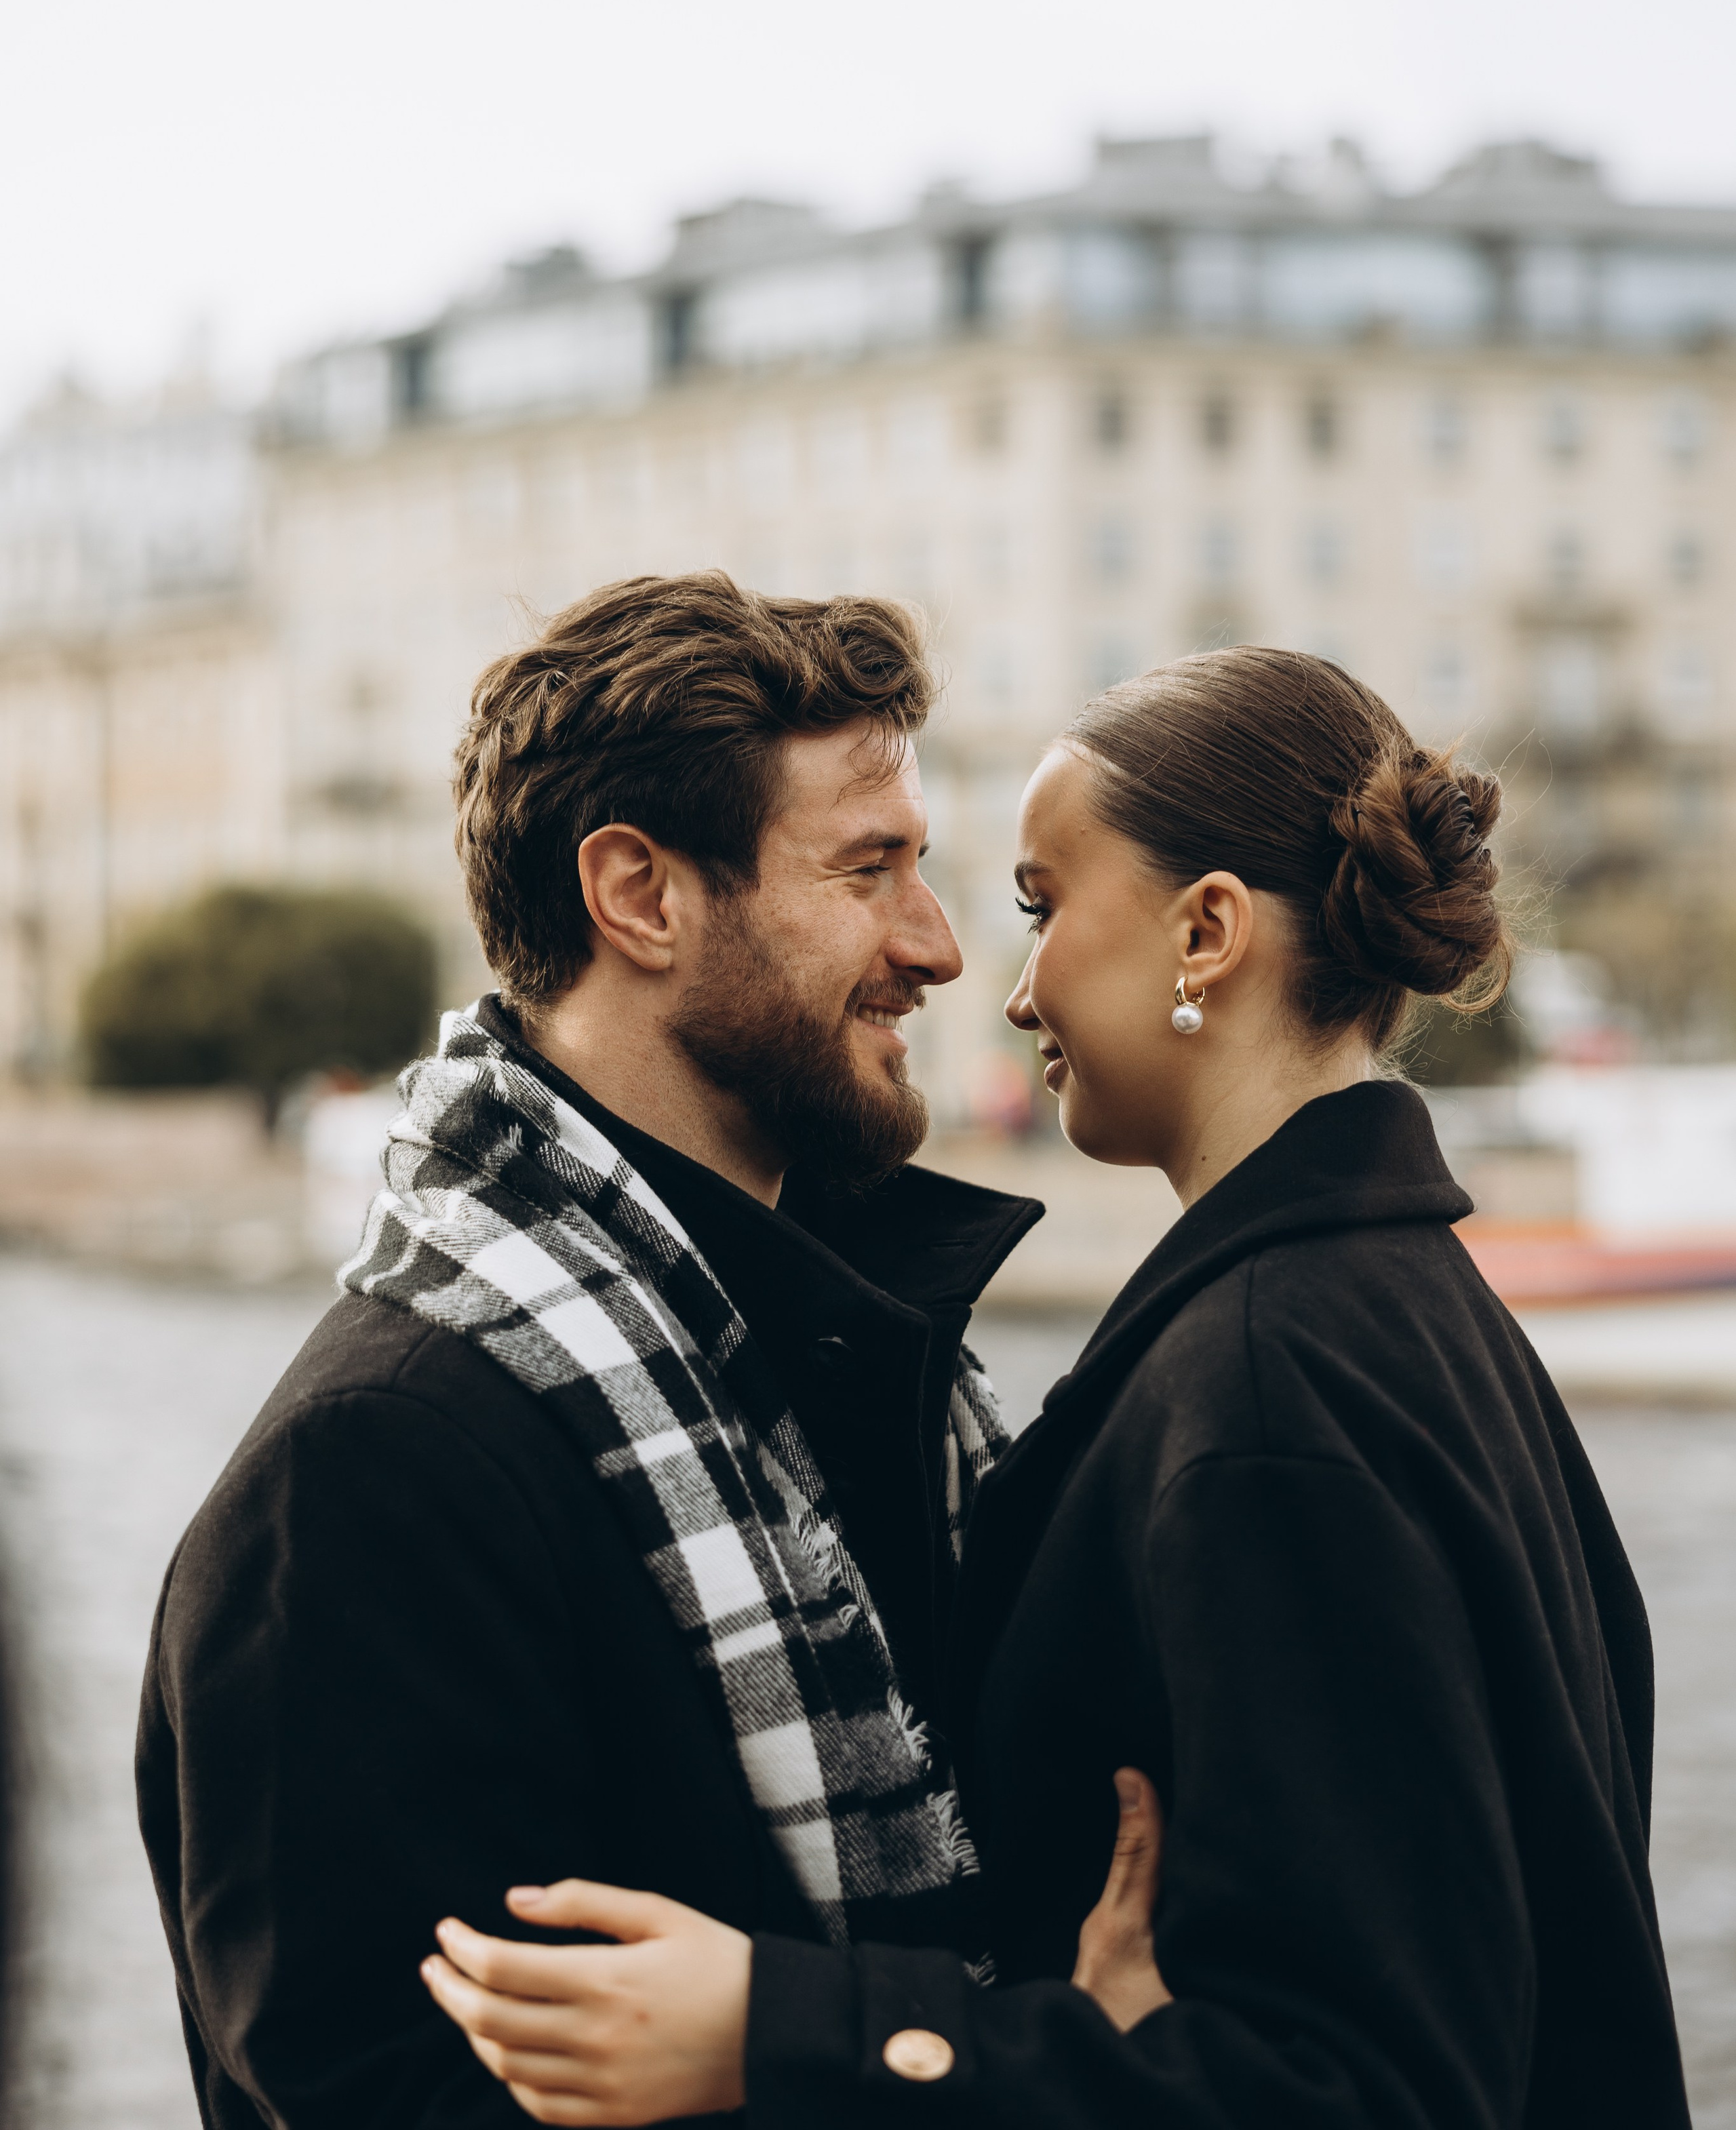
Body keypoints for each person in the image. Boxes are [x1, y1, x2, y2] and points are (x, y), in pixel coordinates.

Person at [424, 645, 1691, 2130]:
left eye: (1041, 904)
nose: (1002, 983)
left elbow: (1366, 2087)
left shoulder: (1266, 1389)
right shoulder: (1409, 1318)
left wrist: (791, 2033)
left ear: (1204, 931)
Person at [138, 573, 1076, 2130]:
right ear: (640, 896)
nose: (937, 947)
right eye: (870, 868)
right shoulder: (368, 1476)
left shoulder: (852, 1363)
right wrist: (924, 2045)